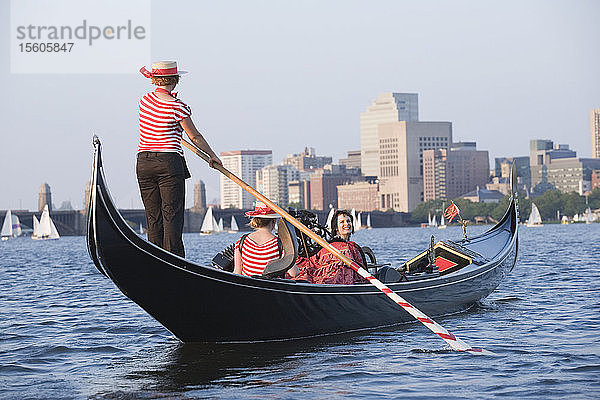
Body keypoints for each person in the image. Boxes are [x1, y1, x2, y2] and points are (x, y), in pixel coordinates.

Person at [137, 60, 221, 257]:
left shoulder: (144, 101)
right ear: (175, 80)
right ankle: (174, 259)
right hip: (168, 163)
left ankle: (155, 257)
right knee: (171, 216)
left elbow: (156, 126)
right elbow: (195, 137)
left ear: (155, 80)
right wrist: (213, 156)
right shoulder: (178, 107)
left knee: (153, 217)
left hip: (143, 163)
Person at [294, 209, 366, 284]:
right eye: (342, 222)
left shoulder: (351, 246)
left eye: (348, 221)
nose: (346, 224)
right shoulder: (339, 247)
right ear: (336, 227)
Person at [234, 203, 299, 277]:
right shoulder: (280, 244)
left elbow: (237, 272)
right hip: (270, 286)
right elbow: (293, 273)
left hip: (248, 284)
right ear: (274, 221)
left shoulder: (241, 241)